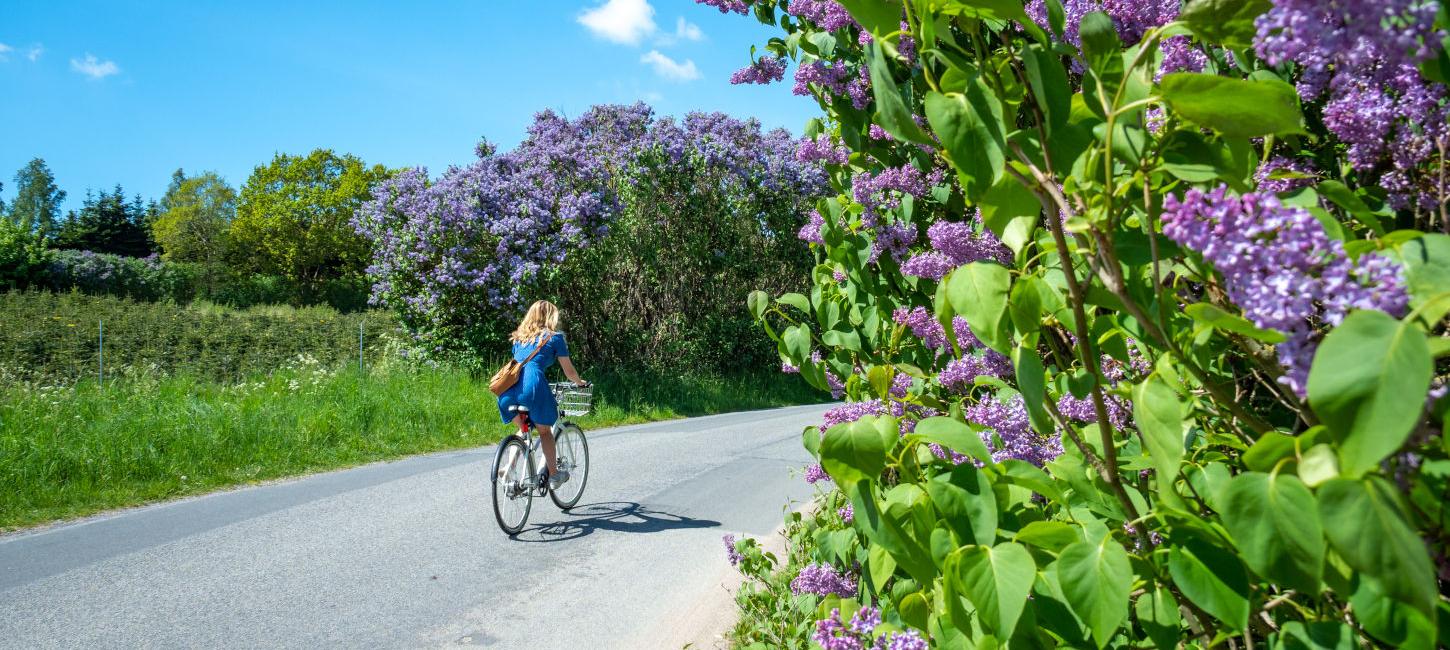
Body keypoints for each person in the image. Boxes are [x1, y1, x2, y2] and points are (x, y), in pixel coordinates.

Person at [497, 300, 589, 489]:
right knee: (545, 431)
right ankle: (554, 475)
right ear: (551, 317)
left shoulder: (518, 338)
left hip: (506, 391)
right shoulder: (555, 338)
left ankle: (509, 467)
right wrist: (579, 382)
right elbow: (569, 371)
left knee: (524, 428)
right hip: (532, 387)